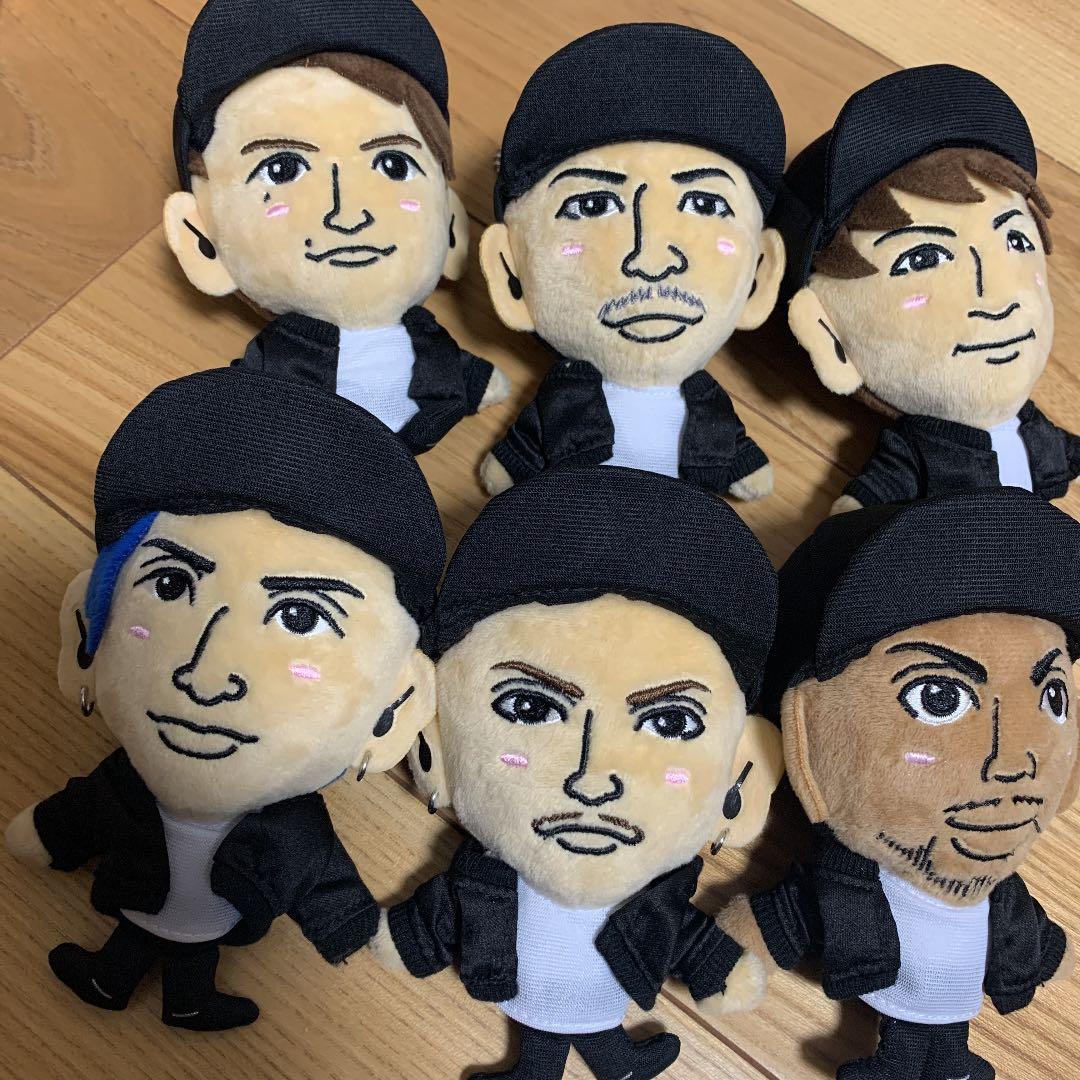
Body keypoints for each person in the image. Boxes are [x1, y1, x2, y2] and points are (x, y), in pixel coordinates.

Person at [4, 367, 445, 1029]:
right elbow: (83, 813)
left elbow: (320, 874)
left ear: (393, 711)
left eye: (300, 617)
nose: (205, 677)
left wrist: (350, 925)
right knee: (137, 943)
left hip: (215, 917)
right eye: (172, 584)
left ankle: (185, 1000)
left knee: (190, 956)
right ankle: (113, 980)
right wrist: (49, 833)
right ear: (86, 636)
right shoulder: (129, 784)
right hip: (146, 898)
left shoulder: (287, 825)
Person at [372, 466, 785, 1079]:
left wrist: (713, 963)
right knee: (546, 1043)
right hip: (527, 986)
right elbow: (446, 911)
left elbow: (682, 934)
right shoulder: (489, 884)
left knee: (592, 1028)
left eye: (670, 722)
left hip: (599, 991)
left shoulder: (650, 897)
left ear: (740, 779)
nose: (592, 782)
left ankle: (614, 1062)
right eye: (529, 707)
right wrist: (410, 936)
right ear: (433, 737)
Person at [720, 488, 1079, 1079]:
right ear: (805, 731)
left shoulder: (995, 888)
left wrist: (1048, 952)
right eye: (937, 697)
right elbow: (795, 912)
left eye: (1052, 696)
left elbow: (1020, 926)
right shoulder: (851, 883)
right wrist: (723, 953)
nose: (1013, 764)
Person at [165, 0, 508, 453]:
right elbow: (247, 403)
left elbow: (454, 369)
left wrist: (478, 385)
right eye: (283, 169)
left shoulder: (427, 341)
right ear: (201, 240)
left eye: (393, 164)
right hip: (316, 467)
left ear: (451, 226)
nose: (348, 216)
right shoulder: (282, 362)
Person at [477, 24, 787, 498]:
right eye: (594, 205)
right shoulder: (567, 397)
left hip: (684, 528)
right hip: (573, 521)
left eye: (704, 203)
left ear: (760, 275)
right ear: (508, 270)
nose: (651, 260)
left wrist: (740, 463)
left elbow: (728, 445)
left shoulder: (704, 403)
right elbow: (528, 442)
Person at [774, 65, 1080, 510]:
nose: (998, 300)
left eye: (1015, 239)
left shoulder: (1032, 430)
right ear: (827, 335)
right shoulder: (921, 452)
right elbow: (871, 500)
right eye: (922, 258)